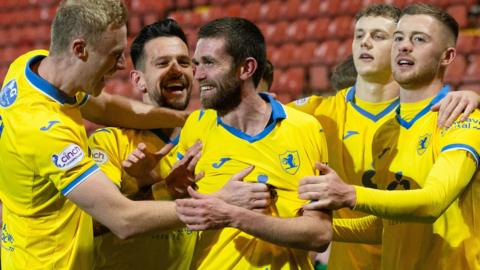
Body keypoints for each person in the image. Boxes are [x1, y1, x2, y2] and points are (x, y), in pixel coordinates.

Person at [0, 1, 216, 269]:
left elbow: (105, 107)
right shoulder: (45, 131)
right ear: (80, 49)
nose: (123, 65)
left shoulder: (30, 68)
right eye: (114, 54)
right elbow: (121, 219)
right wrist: (218, 207)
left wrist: (181, 118)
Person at [298, 4, 480, 270]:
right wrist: (303, 226)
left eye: (419, 39)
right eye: (399, 38)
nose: (404, 46)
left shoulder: (462, 118)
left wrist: (350, 194)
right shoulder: (386, 133)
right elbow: (386, 225)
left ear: (447, 56)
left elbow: (433, 201)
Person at [88, 18, 272, 270]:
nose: (177, 70)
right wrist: (156, 190)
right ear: (139, 79)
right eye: (163, 63)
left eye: (184, 62)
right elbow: (94, 224)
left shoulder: (207, 134)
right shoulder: (109, 141)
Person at [172, 17, 332, 270]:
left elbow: (320, 234)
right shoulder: (195, 126)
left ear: (246, 68)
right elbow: (176, 209)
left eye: (210, 63)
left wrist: (233, 215)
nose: (198, 75)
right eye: (197, 64)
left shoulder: (305, 128)